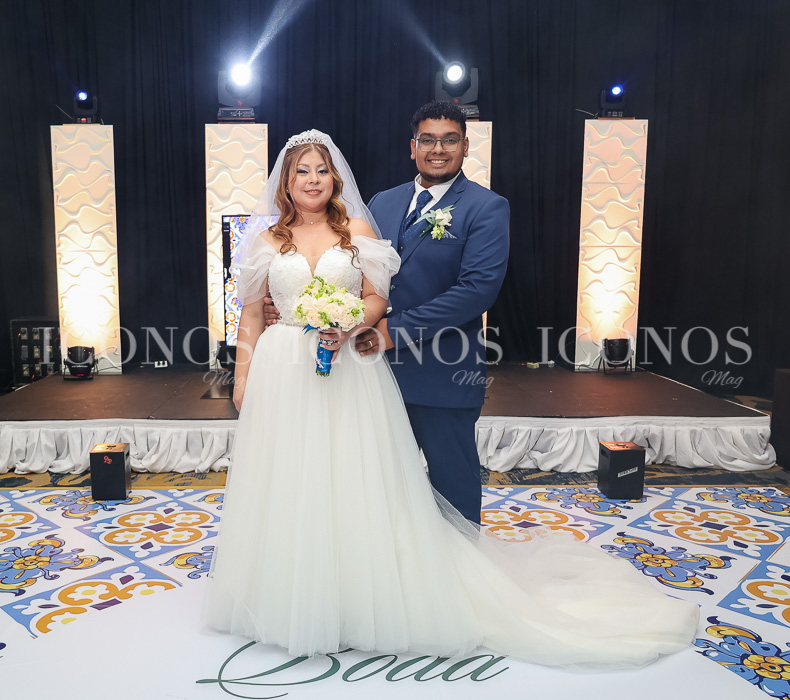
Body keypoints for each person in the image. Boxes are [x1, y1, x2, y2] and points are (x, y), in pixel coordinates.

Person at [205, 129, 699, 668]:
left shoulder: (359, 228)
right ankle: (288, 595)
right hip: (282, 371)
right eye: (302, 170)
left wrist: (349, 322)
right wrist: (243, 378)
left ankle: (359, 598)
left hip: (350, 369)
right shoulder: (266, 239)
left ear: (336, 178)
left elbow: (378, 296)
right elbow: (250, 314)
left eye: (322, 169)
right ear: (285, 180)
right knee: (290, 478)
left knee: (355, 476)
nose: (313, 179)